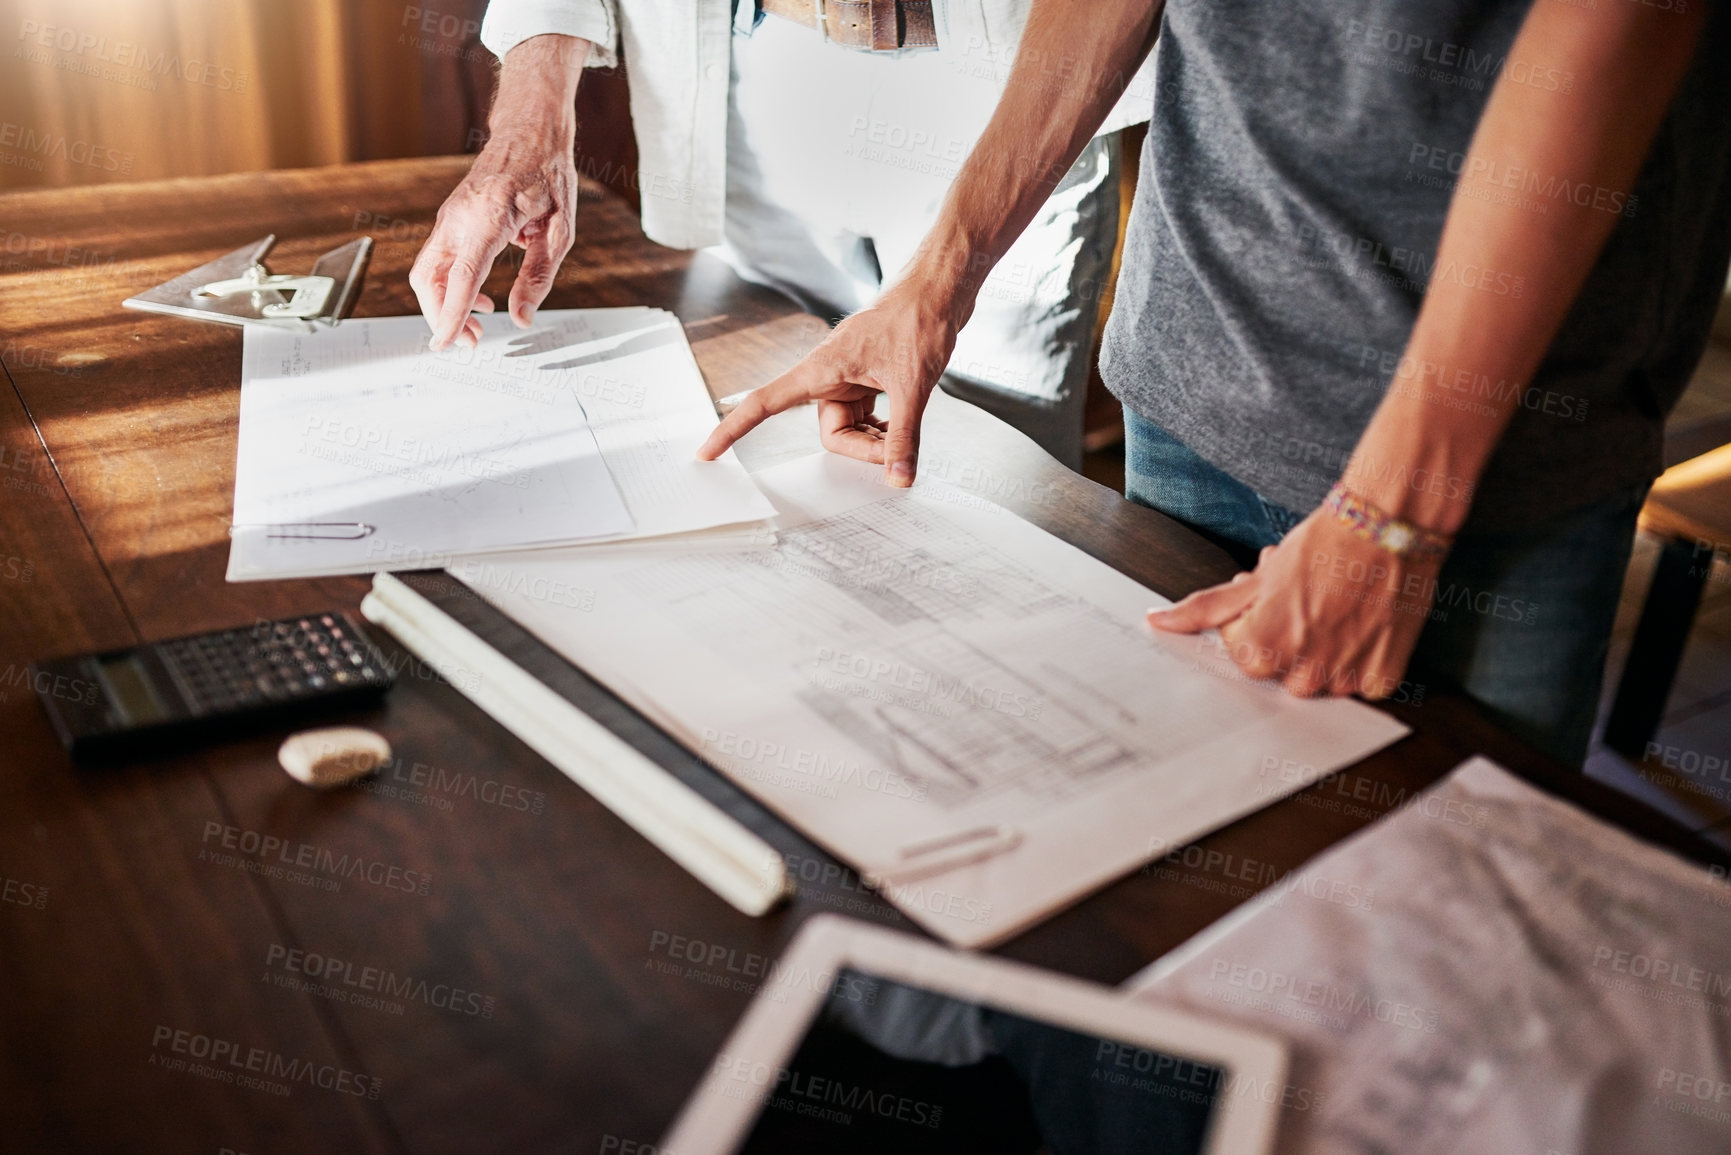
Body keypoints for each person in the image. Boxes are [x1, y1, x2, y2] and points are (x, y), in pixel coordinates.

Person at [697, 0, 1731, 768]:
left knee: (1432, 947)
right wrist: (937, 280)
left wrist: (1393, 519)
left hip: (1500, 450)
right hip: (1197, 366)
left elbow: (1620, 27)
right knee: (1179, 868)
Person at [411, 1, 1157, 468]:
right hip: (755, 72)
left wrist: (949, 272)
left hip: (1014, 87)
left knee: (990, 488)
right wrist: (528, 130)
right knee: (768, 462)